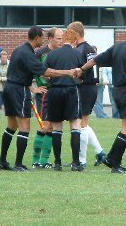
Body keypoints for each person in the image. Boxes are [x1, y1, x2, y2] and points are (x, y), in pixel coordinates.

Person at [0, 26, 77, 172]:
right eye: (42, 37)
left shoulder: (19, 50)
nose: (43, 40)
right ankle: (18, 164)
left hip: (9, 89)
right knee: (24, 127)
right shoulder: (28, 54)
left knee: (11, 127)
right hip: (19, 91)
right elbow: (46, 72)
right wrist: (67, 72)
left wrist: (32, 88)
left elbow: (20, 71)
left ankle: (2, 160)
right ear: (37, 38)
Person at [79, 22, 126, 173]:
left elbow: (96, 60)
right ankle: (113, 162)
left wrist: (81, 69)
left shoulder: (117, 47)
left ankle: (112, 159)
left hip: (117, 91)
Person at [68, 21, 106, 167]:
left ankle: (81, 160)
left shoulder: (82, 49)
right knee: (83, 123)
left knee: (81, 124)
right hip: (88, 87)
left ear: (76, 34)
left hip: (85, 87)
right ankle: (100, 152)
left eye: (69, 33)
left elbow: (84, 70)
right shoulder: (87, 48)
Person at [45, 29, 84, 171]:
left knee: (56, 128)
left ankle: (57, 163)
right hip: (71, 91)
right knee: (75, 125)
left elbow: (45, 74)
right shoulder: (78, 54)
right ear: (74, 41)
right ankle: (75, 163)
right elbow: (82, 75)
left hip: (54, 92)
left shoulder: (52, 54)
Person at [31, 27, 63, 169]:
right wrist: (33, 88)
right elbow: (27, 72)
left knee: (51, 127)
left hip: (57, 94)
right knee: (46, 126)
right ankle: (36, 160)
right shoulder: (40, 54)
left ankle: (43, 162)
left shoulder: (61, 53)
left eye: (62, 38)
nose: (61, 41)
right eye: (58, 38)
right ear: (50, 38)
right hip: (45, 94)